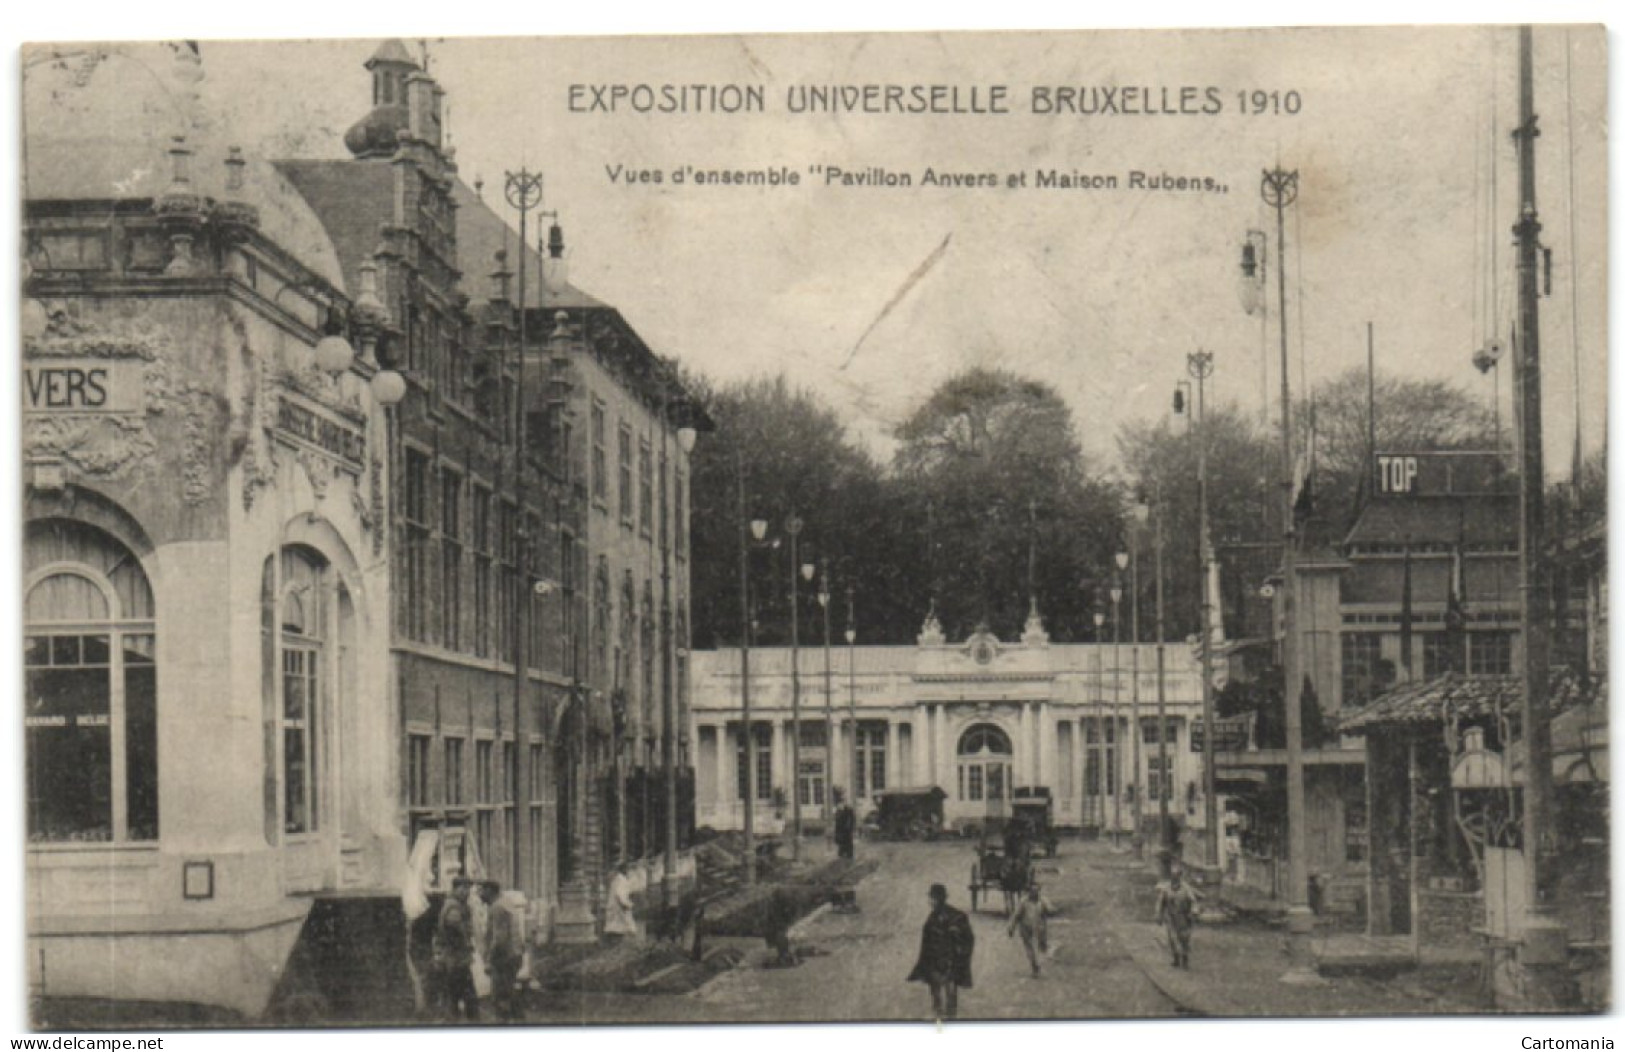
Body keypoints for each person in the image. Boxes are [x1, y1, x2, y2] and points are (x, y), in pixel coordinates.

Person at [907, 883, 974, 1021]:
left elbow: (968, 938)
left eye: (933, 899)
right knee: (936, 993)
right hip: (935, 962)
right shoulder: (931, 919)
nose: (931, 902)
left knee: (950, 994)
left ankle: (950, 1019)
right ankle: (938, 1018)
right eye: (930, 898)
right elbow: (926, 944)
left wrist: (960, 950)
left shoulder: (957, 916)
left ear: (940, 899)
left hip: (951, 962)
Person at [434, 876, 479, 1020]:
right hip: (456, 958)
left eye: (468, 889)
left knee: (457, 994)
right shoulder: (454, 906)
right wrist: (466, 943)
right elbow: (456, 930)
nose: (467, 892)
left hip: (456, 958)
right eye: (463, 888)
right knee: (465, 994)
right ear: (455, 889)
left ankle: (456, 1019)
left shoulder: (457, 904)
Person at [479, 880, 523, 1021]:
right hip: (515, 954)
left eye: (482, 890)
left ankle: (503, 1024)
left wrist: (489, 960)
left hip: (504, 956)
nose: (480, 894)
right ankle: (518, 1021)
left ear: (490, 891)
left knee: (500, 995)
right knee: (509, 991)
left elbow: (499, 939)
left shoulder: (497, 907)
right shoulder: (506, 902)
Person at [1154, 860, 1199, 969]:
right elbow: (1160, 902)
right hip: (1171, 917)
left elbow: (1193, 901)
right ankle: (1176, 958)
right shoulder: (1166, 889)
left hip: (1183, 916)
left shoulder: (1186, 889)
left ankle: (1185, 958)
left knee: (1184, 938)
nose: (1175, 878)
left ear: (1180, 876)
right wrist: (1158, 915)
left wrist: (1194, 912)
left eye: (1177, 876)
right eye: (1173, 876)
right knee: (1172, 938)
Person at [1006, 882, 1053, 977]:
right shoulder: (1023, 902)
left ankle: (1038, 965)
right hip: (1026, 928)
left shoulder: (1043, 901)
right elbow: (1016, 915)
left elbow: (1050, 909)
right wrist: (1011, 927)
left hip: (1039, 928)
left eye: (1036, 891)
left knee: (1041, 947)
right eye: (1032, 891)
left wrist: (1050, 910)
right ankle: (1035, 966)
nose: (1034, 893)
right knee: (1030, 948)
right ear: (1029, 892)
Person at [604, 861, 638, 942]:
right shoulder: (621, 880)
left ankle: (617, 942)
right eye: (627, 870)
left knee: (617, 926)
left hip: (615, 905)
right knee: (622, 926)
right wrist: (627, 904)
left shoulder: (617, 879)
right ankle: (621, 943)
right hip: (619, 906)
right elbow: (620, 894)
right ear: (624, 870)